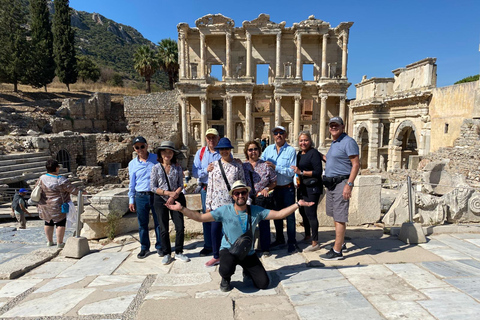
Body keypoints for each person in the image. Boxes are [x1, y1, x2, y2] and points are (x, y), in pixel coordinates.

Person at [166, 180, 314, 292]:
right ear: (233, 196)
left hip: (247, 252)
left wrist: (298, 204)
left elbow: (280, 214)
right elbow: (200, 218)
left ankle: (247, 270)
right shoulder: (224, 210)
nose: (240, 195)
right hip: (229, 250)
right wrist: (182, 209)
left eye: (243, 192)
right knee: (225, 268)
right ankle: (225, 278)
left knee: (263, 284)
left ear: (247, 194)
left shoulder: (256, 210)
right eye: (237, 193)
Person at [320, 117, 359, 260]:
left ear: (343, 126)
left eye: (336, 125)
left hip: (342, 183)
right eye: (331, 125)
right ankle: (340, 242)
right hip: (331, 184)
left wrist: (349, 185)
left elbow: (355, 164)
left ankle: (337, 251)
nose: (333, 128)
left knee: (340, 216)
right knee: (335, 215)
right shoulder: (335, 143)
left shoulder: (348, 142)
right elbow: (332, 160)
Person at [205, 137, 245, 267]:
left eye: (226, 149)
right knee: (215, 230)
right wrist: (208, 204)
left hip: (231, 204)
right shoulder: (213, 166)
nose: (224, 151)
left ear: (230, 150)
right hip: (216, 204)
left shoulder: (237, 166)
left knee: (232, 230)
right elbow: (210, 186)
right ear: (218, 150)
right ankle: (216, 255)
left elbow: (242, 184)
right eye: (222, 149)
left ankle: (234, 254)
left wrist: (244, 201)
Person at [150, 141, 190, 264]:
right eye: (165, 151)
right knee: (163, 228)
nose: (167, 154)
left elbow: (180, 184)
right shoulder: (155, 168)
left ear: (173, 154)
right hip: (160, 200)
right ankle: (167, 253)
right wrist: (168, 194)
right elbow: (152, 186)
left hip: (176, 198)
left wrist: (174, 196)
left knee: (179, 226)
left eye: (170, 152)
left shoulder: (177, 167)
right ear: (161, 153)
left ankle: (178, 251)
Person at [261, 125, 298, 253]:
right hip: (274, 188)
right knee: (276, 215)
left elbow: (291, 172)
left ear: (285, 135)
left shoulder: (291, 151)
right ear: (273, 135)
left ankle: (292, 242)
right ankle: (280, 238)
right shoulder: (268, 150)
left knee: (290, 217)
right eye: (276, 133)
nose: (278, 135)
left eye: (281, 133)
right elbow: (261, 166)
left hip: (287, 188)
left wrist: (275, 167)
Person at [36, 159, 82, 248]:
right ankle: (59, 243)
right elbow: (72, 190)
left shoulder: (41, 178)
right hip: (58, 205)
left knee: (48, 222)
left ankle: (49, 241)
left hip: (44, 205)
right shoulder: (60, 179)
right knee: (60, 223)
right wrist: (82, 193)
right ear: (57, 168)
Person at [128, 136, 162, 259]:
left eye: (142, 146)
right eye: (137, 147)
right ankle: (144, 248)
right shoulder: (132, 164)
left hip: (155, 195)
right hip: (141, 196)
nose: (140, 149)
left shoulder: (156, 159)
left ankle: (160, 246)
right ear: (134, 149)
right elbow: (131, 183)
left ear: (146, 146)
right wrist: (131, 199)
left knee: (159, 222)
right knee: (142, 223)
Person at [242, 140, 277, 256]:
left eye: (255, 149)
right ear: (247, 152)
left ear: (259, 151)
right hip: (247, 199)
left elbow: (274, 182)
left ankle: (265, 247)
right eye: (250, 150)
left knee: (264, 223)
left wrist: (266, 189)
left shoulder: (265, 165)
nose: (253, 152)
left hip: (261, 198)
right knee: (248, 225)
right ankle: (248, 247)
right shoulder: (243, 166)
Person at [291, 131, 323, 252]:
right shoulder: (300, 154)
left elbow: (318, 172)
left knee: (311, 214)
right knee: (303, 212)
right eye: (301, 140)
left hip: (312, 188)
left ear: (310, 141)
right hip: (302, 187)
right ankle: (307, 236)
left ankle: (315, 242)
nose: (303, 143)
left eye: (305, 140)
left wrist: (302, 172)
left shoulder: (313, 153)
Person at [192, 128, 221, 257]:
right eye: (209, 138)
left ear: (218, 138)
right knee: (206, 217)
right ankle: (208, 245)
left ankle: (220, 245)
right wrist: (206, 170)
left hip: (220, 190)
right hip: (206, 188)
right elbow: (194, 172)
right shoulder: (201, 153)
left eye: (213, 137)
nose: (211, 140)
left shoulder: (223, 151)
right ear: (205, 139)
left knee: (220, 217)